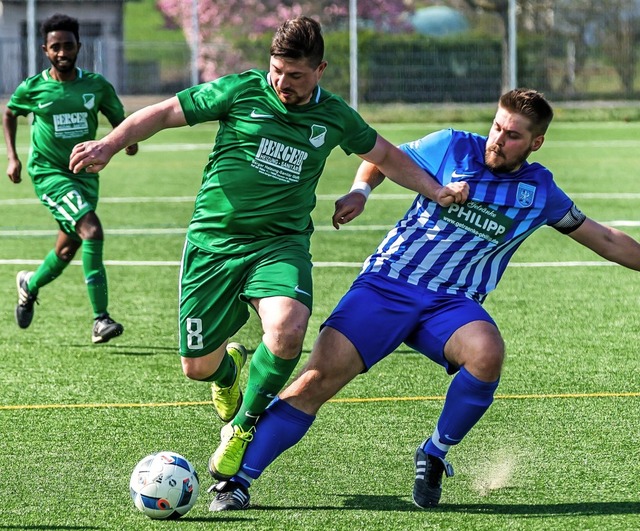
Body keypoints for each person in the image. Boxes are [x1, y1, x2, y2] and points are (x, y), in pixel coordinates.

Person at [68, 16, 467, 485]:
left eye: (295, 75)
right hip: (212, 246)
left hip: (280, 244)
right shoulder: (241, 91)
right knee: (197, 368)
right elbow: (163, 113)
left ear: (320, 69)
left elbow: (386, 155)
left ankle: (241, 426)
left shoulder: (334, 115)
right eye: (277, 71)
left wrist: (430, 190)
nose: (283, 83)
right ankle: (228, 371)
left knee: (287, 332)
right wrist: (111, 143)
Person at [206, 88, 640, 511]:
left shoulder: (540, 192)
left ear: (535, 143)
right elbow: (382, 156)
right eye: (497, 127)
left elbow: (602, 237)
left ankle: (434, 452)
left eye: (512, 136)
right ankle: (237, 481)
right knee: (314, 382)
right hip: (388, 284)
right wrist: (361, 191)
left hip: (451, 303)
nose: (498, 140)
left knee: (487, 352)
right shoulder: (451, 146)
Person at [3, 13, 138, 343]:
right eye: (55, 47)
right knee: (92, 229)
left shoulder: (96, 85)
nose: (62, 52)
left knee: (66, 250)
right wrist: (13, 157)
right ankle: (100, 319)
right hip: (50, 174)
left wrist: (128, 142)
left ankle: (29, 285)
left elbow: (120, 120)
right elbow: (10, 113)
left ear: (78, 46)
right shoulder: (33, 88)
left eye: (68, 46)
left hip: (85, 176)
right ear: (45, 50)